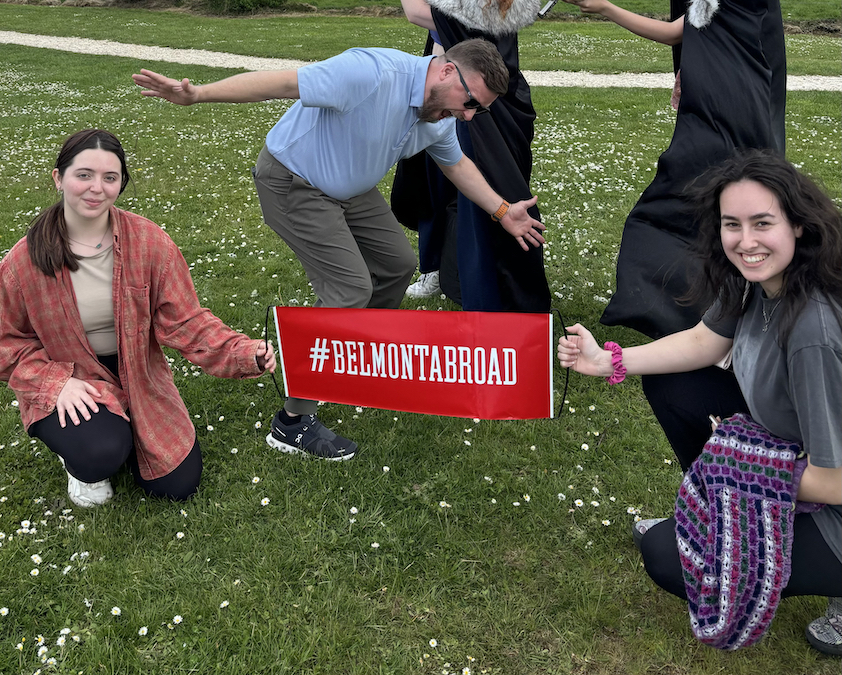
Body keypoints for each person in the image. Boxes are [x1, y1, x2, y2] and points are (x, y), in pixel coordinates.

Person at [132, 40, 545, 460]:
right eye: (470, 101)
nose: (469, 115)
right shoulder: (369, 74)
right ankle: (291, 424)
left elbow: (455, 164)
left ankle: (351, 365)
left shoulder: (438, 116)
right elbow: (281, 84)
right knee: (348, 289)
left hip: (350, 189)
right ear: (445, 72)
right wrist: (198, 94)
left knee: (398, 265)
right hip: (294, 181)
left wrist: (502, 210)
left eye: (481, 109)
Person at [558, 150, 841, 655]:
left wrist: (734, 467)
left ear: (798, 224)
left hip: (835, 493)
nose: (745, 241)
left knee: (667, 555)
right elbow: (703, 343)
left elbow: (837, 480)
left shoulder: (814, 330)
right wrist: (607, 362)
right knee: (675, 387)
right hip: (793, 450)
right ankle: (722, 509)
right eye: (732, 224)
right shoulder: (754, 278)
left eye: (762, 223)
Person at [563, 0, 785, 458]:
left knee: (692, 204)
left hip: (731, 112)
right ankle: (707, 322)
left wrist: (607, 12)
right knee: (697, 207)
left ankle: (716, 323)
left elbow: (680, 34)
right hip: (704, 107)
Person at [0, 129, 276, 508]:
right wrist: (54, 384)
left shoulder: (149, 242)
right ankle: (81, 459)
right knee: (101, 452)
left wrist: (244, 352)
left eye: (109, 178)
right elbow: (6, 341)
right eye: (83, 175)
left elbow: (185, 321)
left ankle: (120, 427)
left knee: (176, 485)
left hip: (138, 371)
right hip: (70, 376)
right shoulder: (24, 260)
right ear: (58, 178)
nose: (96, 188)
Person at [388, 0, 550, 313]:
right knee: (434, 180)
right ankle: (440, 268)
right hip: (449, 87)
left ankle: (484, 285)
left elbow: (415, 11)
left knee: (482, 193)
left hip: (489, 104)